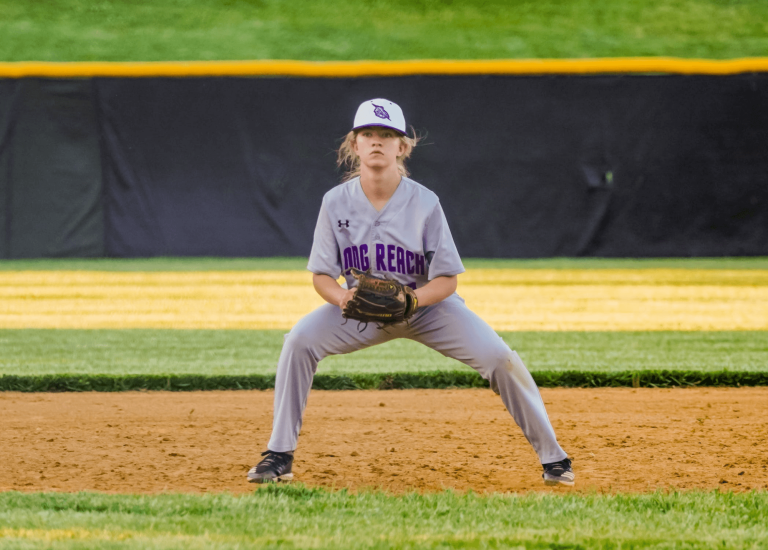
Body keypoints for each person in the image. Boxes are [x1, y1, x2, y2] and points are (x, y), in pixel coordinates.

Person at [247, 98, 575, 487]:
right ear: (354, 144)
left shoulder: (425, 202)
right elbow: (321, 275)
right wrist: (341, 298)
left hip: (429, 310)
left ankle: (554, 458)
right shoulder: (335, 203)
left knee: (499, 357)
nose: (377, 142)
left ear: (402, 147)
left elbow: (448, 280)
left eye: (387, 135)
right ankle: (279, 454)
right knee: (299, 341)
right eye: (368, 133)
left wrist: (413, 300)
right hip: (361, 312)